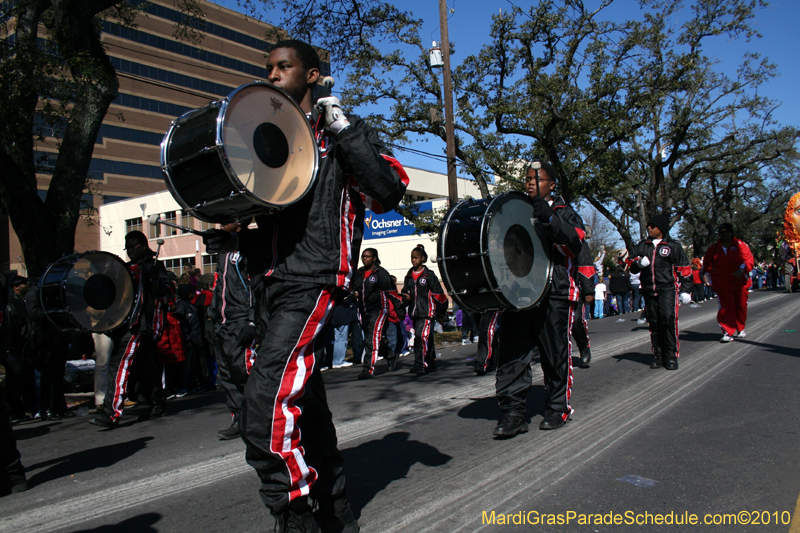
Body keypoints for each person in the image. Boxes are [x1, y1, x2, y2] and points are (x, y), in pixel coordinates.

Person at [201, 39, 407, 532]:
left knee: (265, 404)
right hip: (268, 285)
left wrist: (346, 130)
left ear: (312, 76)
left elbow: (388, 191)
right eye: (267, 67)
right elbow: (269, 226)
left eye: (283, 66)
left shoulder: (342, 136)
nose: (272, 74)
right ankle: (336, 512)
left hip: (313, 281)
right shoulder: (265, 138)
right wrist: (232, 233)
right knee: (308, 412)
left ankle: (294, 514)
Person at [493, 162, 586, 437]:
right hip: (519, 293)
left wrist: (549, 219)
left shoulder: (565, 212)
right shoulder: (517, 210)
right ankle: (514, 414)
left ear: (552, 184)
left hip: (555, 292)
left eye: (538, 179)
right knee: (512, 355)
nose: (531, 183)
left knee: (555, 355)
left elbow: (574, 244)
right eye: (528, 179)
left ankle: (558, 408)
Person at [89, 231, 173, 428]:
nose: (130, 252)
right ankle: (158, 402)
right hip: (126, 324)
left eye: (134, 247)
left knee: (120, 364)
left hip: (141, 324)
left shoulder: (154, 267)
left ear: (144, 245)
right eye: (127, 248)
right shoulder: (124, 269)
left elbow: (169, 296)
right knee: (145, 367)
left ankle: (112, 412)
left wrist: (157, 284)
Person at [207, 221, 258, 440]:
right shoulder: (222, 252)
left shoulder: (250, 245)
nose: (221, 225)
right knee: (226, 373)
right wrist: (211, 317)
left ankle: (259, 418)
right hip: (223, 323)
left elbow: (257, 284)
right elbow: (219, 285)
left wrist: (252, 321)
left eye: (226, 220)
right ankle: (239, 418)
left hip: (241, 320)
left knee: (244, 372)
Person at [630, 215, 692, 370]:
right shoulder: (642, 246)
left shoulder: (673, 246)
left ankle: (671, 356)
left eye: (652, 225)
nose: (649, 228)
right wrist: (639, 264)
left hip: (667, 290)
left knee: (668, 320)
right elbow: (630, 265)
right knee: (655, 323)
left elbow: (684, 269)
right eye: (648, 225)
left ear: (661, 228)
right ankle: (658, 355)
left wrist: (685, 290)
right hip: (649, 290)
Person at [702, 223, 754, 342]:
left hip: (740, 283)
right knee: (726, 308)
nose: (725, 234)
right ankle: (728, 332)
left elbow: (748, 260)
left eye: (727, 232)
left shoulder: (741, 245)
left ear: (731, 233)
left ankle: (741, 328)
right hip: (722, 283)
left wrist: (742, 269)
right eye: (722, 232)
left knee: (741, 306)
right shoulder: (714, 248)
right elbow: (708, 263)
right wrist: (706, 274)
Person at [351, 248, 398, 379]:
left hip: (378, 310)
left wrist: (399, 310)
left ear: (374, 258)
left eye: (368, 256)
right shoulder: (359, 273)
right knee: (370, 339)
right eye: (363, 256)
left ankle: (368, 369)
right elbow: (354, 288)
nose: (364, 258)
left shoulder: (381, 273)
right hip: (363, 311)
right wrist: (354, 293)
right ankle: (390, 354)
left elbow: (392, 293)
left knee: (371, 339)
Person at [401, 244, 448, 375]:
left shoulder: (429, 275)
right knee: (427, 337)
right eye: (412, 258)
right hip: (415, 313)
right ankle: (431, 362)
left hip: (427, 312)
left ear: (423, 258)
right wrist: (405, 299)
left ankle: (420, 364)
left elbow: (439, 295)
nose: (413, 260)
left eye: (416, 257)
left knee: (420, 337)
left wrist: (441, 314)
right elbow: (406, 292)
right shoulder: (409, 276)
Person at [2, 276, 37, 423]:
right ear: (15, 287)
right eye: (22, 283)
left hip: (23, 349)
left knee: (23, 380)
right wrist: (13, 349)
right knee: (14, 382)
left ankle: (23, 410)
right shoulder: (11, 305)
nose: (26, 285)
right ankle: (16, 411)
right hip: (15, 350)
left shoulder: (22, 303)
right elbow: (11, 330)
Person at [573, 242, 596, 368]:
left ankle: (583, 347)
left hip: (575, 288)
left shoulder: (579, 241)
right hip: (553, 288)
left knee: (576, 321)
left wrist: (588, 290)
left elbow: (585, 265)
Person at [473, 310, 500, 376]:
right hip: (477, 305)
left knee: (486, 331)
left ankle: (482, 362)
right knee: (483, 331)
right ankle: (493, 360)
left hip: (491, 305)